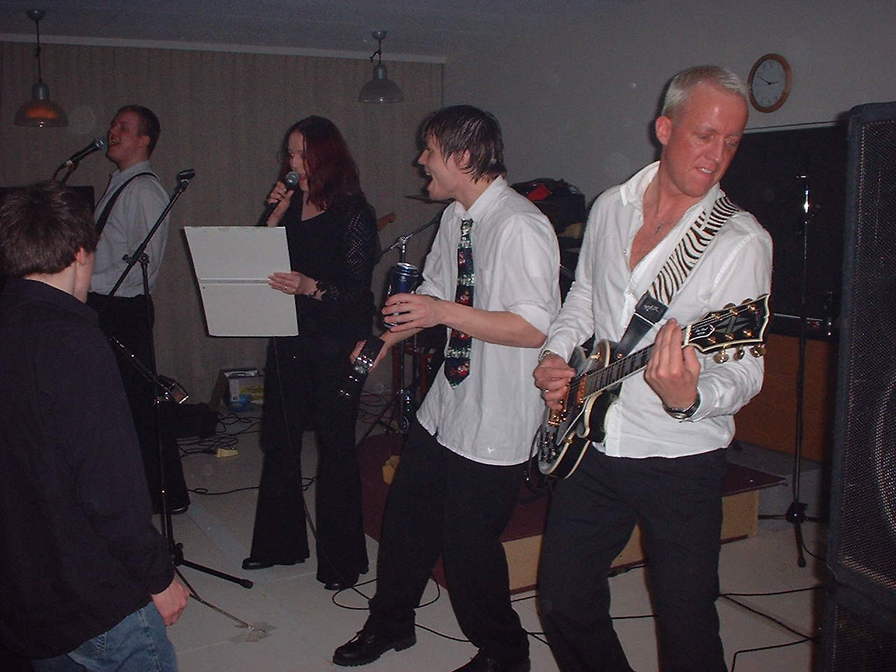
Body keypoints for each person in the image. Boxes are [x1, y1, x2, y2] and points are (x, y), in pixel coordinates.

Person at [533, 66, 773, 672]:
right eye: (704, 136)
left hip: (679, 457)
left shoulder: (740, 241)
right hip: (593, 441)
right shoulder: (611, 206)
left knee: (686, 624)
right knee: (562, 600)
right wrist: (556, 354)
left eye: (732, 142)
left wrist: (690, 396)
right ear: (665, 129)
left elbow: (745, 369)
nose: (716, 157)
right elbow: (583, 296)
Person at [332, 105, 560, 672]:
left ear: (461, 158)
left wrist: (440, 312)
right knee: (406, 520)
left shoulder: (520, 225)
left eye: (429, 151)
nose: (420, 161)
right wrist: (385, 339)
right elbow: (432, 296)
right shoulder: (457, 217)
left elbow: (533, 327)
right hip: (449, 402)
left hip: (497, 416)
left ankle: (506, 654)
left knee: (468, 548)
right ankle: (391, 624)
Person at [0, 182, 189, 671]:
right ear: (82, 252)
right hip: (92, 597)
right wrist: (158, 576)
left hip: (25, 595)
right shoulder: (72, 341)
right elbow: (109, 487)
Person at [242, 115, 378, 592]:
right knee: (278, 440)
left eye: (301, 153)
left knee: (335, 446)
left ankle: (342, 561)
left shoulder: (354, 212)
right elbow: (256, 262)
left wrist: (310, 286)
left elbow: (357, 292)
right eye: (290, 152)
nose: (292, 162)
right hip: (289, 335)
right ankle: (278, 545)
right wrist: (272, 216)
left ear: (325, 157)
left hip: (337, 341)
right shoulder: (290, 205)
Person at [86, 104, 190, 514]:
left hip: (122, 308)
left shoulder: (145, 191)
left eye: (124, 127)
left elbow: (142, 264)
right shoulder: (122, 184)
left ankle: (166, 493)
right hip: (106, 302)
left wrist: (83, 285)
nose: (113, 131)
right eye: (113, 124)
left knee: (141, 403)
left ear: (144, 140)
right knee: (123, 403)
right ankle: (137, 488)